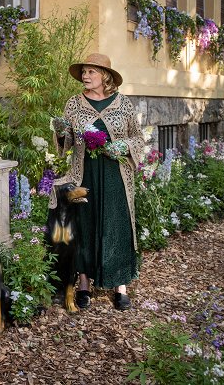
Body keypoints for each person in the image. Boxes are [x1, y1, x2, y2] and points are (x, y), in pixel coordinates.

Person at [50, 53, 144, 311]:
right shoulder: (74, 104)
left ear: (105, 76)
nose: (85, 76)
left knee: (117, 224)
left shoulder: (123, 103)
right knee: (85, 224)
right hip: (84, 172)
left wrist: (121, 146)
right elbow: (66, 140)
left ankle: (120, 285)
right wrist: (60, 132)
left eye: (91, 72)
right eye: (84, 72)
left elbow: (137, 138)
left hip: (116, 175)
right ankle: (83, 284)